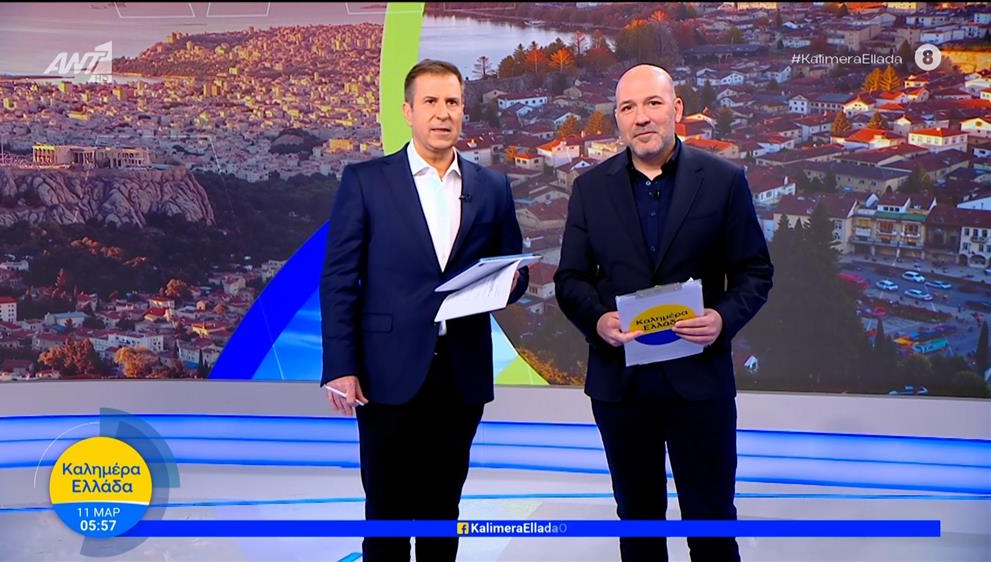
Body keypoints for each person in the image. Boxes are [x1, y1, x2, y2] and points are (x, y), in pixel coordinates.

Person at [554, 64, 774, 562]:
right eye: (627, 108)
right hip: (621, 387)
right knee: (638, 524)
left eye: (652, 103)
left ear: (676, 109)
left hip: (700, 383)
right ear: (617, 119)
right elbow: (570, 280)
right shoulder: (590, 189)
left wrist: (722, 319)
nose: (641, 117)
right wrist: (598, 320)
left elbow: (755, 272)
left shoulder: (723, 181)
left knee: (712, 524)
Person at [320, 59, 529, 561]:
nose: (442, 113)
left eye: (452, 102)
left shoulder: (492, 186)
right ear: (407, 111)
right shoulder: (366, 181)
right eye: (431, 101)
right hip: (385, 374)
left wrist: (511, 282)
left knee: (442, 510)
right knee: (386, 512)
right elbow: (339, 280)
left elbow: (513, 270)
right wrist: (341, 366)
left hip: (460, 375)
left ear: (464, 111)